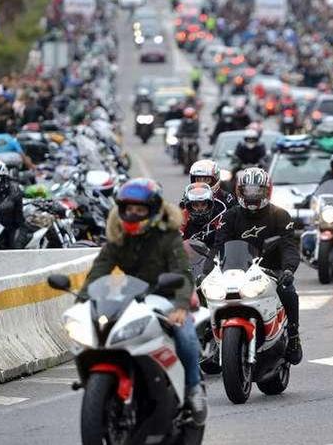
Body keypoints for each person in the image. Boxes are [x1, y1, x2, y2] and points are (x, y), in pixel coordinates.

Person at [83, 178, 207, 424]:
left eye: (139, 210)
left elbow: (182, 273)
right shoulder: (118, 237)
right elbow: (99, 270)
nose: (133, 214)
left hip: (167, 299)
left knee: (185, 335)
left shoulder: (168, 237)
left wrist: (181, 307)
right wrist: (85, 299)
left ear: (152, 210)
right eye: (128, 209)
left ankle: (193, 388)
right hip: (132, 299)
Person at [214, 168, 303, 364]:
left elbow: (289, 246)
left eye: (257, 191)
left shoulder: (281, 215)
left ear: (267, 191)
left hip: (273, 271)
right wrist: (208, 272)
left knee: (289, 292)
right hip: (237, 271)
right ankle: (211, 342)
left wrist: (288, 269)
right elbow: (219, 246)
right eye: (248, 191)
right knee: (209, 293)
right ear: (240, 191)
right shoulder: (230, 217)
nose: (252, 196)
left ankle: (294, 336)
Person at [181, 183, 223, 247]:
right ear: (189, 206)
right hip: (189, 254)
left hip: (214, 253)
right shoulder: (183, 216)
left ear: (209, 204)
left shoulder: (218, 215)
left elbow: (224, 236)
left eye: (203, 204)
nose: (200, 209)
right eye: (195, 205)